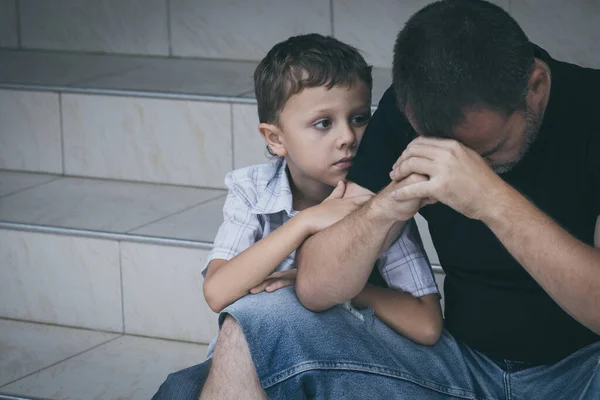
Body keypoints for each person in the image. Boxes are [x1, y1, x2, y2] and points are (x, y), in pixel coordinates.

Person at [183, 1, 600, 398]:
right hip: (459, 370)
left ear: (536, 88)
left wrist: (489, 198)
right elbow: (315, 288)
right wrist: (387, 205)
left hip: (583, 371)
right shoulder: (407, 113)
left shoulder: (591, 108)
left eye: (487, 152)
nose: (469, 166)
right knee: (254, 324)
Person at [152, 33, 443, 400]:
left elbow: (428, 323)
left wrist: (338, 290)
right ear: (275, 138)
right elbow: (217, 292)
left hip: (342, 363)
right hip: (253, 359)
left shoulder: (375, 202)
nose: (348, 138)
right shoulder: (253, 190)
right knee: (176, 391)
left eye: (358, 118)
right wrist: (305, 222)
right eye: (323, 123)